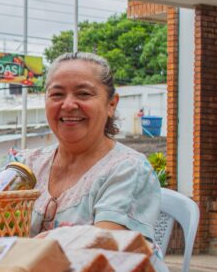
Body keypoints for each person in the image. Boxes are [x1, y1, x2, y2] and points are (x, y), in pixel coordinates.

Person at [10, 52, 161, 240]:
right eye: (57, 94)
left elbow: (107, 248)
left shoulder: (128, 169)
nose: (68, 104)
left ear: (111, 104)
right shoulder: (24, 165)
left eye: (83, 94)